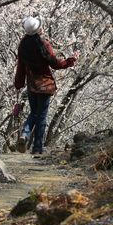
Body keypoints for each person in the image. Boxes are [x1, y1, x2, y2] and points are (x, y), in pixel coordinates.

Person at [13, 16, 78, 155]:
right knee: (41, 116)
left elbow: (20, 67)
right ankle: (37, 148)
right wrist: (70, 60)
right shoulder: (44, 45)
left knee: (34, 113)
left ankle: (25, 133)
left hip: (32, 86)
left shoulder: (22, 46)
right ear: (38, 30)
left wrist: (18, 83)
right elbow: (56, 64)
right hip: (45, 85)